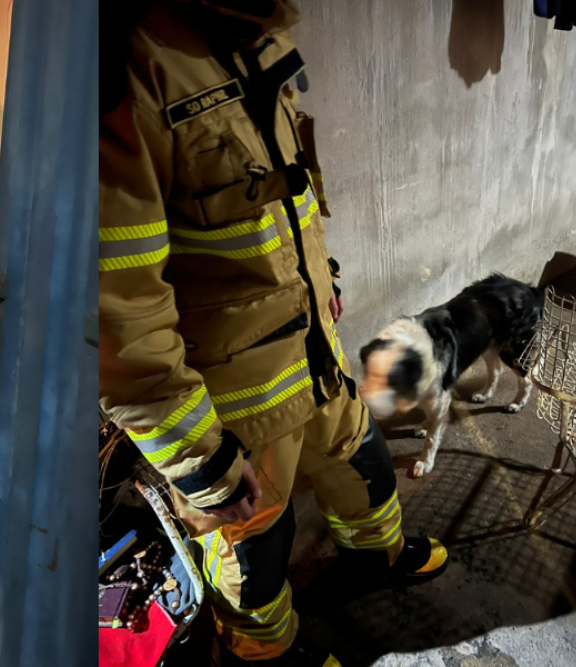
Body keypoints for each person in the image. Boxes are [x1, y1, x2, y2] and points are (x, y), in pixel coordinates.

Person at [99, 2, 448, 665]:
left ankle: (378, 554)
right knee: (250, 544)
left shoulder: (255, 32)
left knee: (362, 457)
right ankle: (266, 653)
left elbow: (282, 189)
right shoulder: (130, 65)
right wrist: (199, 460)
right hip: (237, 396)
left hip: (312, 350)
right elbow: (122, 315)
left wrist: (326, 276)